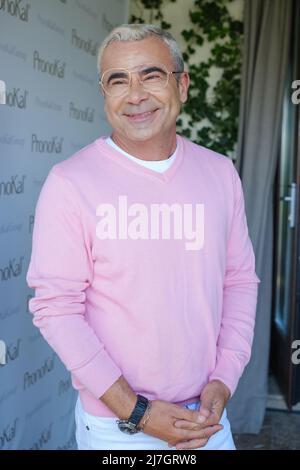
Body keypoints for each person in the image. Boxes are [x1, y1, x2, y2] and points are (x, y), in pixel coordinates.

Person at [26, 24, 260, 451]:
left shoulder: (220, 172)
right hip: (117, 429)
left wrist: (224, 380)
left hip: (206, 419)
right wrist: (136, 411)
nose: (135, 94)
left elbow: (239, 281)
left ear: (182, 85)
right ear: (105, 95)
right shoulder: (70, 183)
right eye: (118, 80)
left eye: (151, 75)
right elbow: (57, 309)